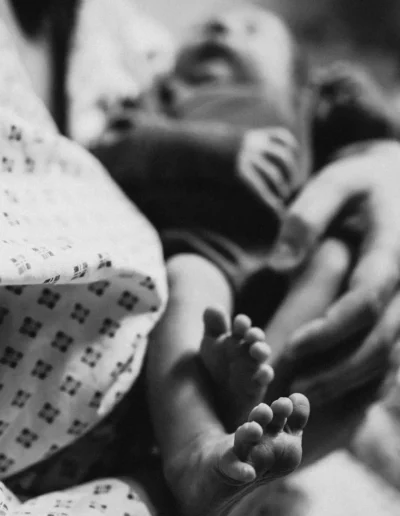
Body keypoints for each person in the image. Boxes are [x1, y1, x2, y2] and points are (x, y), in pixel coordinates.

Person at [0, 3, 311, 516]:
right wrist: (218, 151)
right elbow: (114, 144)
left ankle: (234, 418)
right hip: (197, 247)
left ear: (297, 84)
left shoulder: (302, 111)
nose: (224, 28)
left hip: (275, 262)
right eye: (210, 23)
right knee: (191, 308)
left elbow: (369, 125)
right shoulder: (162, 96)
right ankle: (194, 450)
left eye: (253, 30)